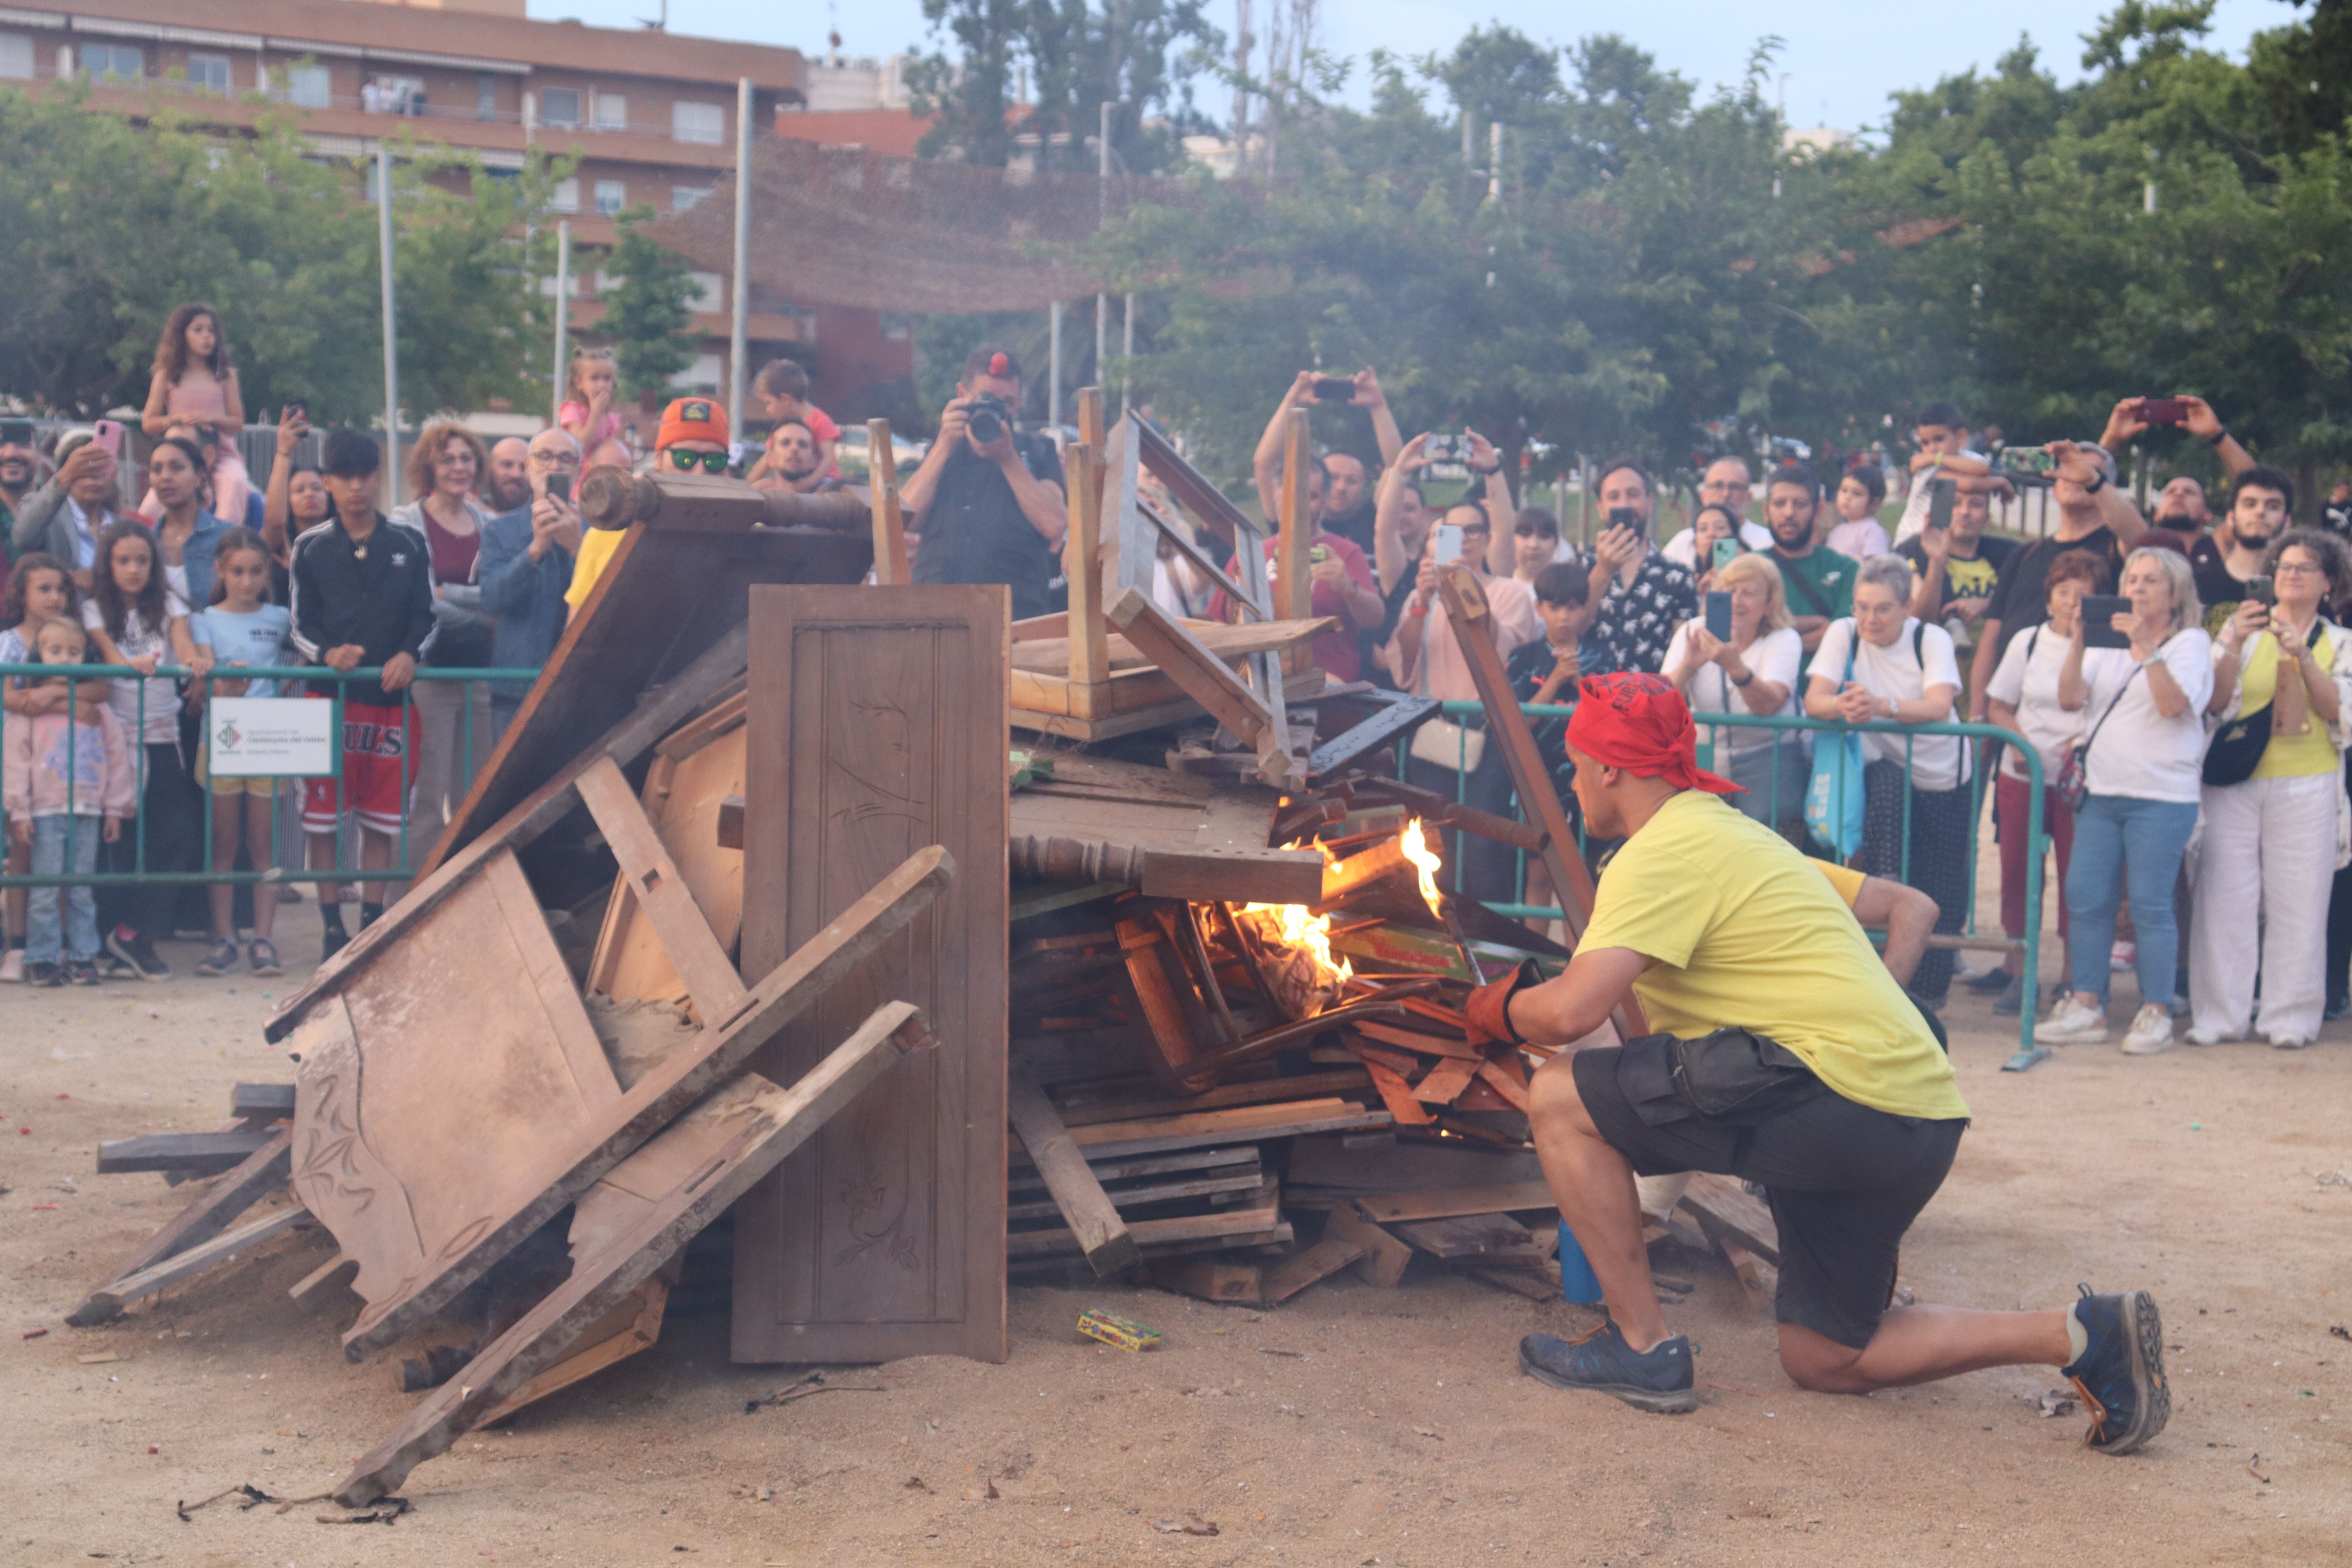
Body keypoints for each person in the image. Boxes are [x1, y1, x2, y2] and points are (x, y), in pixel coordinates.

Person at [1479, 675, 2168, 1454]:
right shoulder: (1742, 836)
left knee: (1560, 1093)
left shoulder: (1659, 849)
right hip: (1920, 1113)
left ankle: (1639, 1345)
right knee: (1828, 1355)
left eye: (1575, 764)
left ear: (1609, 767)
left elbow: (1572, 1012)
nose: (1571, 782)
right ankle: (2080, 1332)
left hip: (1834, 1094)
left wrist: (1491, 1011)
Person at [2040, 547, 2213, 1053]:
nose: (2136, 589)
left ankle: (2156, 1010)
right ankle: (2087, 1005)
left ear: (2174, 592)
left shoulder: (2191, 642)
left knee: (2150, 904)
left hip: (2161, 795)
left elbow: (2174, 705)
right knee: (2086, 897)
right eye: (2131, 579)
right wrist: (2077, 643)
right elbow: (2071, 699)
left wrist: (2146, 647)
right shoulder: (2106, 641)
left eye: (2149, 582)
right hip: (2102, 791)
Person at [2190, 529, 2352, 1049]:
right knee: (2223, 896)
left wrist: (2302, 655)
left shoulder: (2342, 643)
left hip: (2308, 780)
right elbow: (2212, 703)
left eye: (2307, 567)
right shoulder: (2240, 629)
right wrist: (2234, 641)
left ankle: (2291, 1017)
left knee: (2301, 899)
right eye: (2284, 565)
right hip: (2235, 780)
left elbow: (2337, 710)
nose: (2292, 573)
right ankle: (2219, 1015)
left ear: (2329, 582)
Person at [289, 428, 434, 962]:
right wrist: (326, 653)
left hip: (390, 701)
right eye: (344, 477)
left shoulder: (409, 542)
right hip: (326, 702)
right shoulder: (309, 545)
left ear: (378, 478)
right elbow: (298, 625)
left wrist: (409, 655)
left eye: (365, 476)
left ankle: (372, 923)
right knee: (323, 819)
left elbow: (427, 616)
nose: (356, 486)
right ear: (327, 482)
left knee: (381, 818)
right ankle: (331, 927)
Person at [1804, 554, 1970, 1004]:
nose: (1869, 619)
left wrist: (1881, 707)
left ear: (1907, 607)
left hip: (1941, 772)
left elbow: (1939, 704)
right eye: (1862, 607)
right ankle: (1882, 982)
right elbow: (1814, 698)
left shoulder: (1930, 638)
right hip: (1883, 766)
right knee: (1885, 867)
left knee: (1941, 881)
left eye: (1882, 609)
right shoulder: (1843, 632)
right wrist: (1843, 707)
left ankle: (1930, 992)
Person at [1389, 504, 1542, 902]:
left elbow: (1502, 650)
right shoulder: (1421, 594)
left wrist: (1465, 587)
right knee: (1435, 839)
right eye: (1452, 533)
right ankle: (1441, 940)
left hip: (1489, 731)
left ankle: (1496, 947)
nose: (1466, 539)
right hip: (1432, 730)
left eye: (1474, 530)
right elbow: (1401, 661)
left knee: (1483, 842)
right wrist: (1423, 600)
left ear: (1490, 538)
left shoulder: (1510, 592)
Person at [1979, 549, 2106, 1016]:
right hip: (2024, 774)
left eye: (2084, 594)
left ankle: (2073, 975)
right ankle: (2019, 972)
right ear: (2049, 597)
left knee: (2080, 878)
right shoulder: (2028, 642)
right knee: (2019, 873)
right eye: (2064, 591)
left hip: (2078, 781)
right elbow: (1998, 703)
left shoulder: (2104, 646)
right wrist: (2019, 743)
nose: (2073, 602)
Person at [81, 520, 206, 981]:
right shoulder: (94, 608)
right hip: (114, 741)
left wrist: (196, 660)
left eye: (142, 560)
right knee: (120, 844)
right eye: (123, 560)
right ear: (108, 564)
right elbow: (110, 654)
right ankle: (111, 937)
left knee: (178, 836)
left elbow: (183, 642)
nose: (133, 569)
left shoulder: (168, 602)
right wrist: (129, 663)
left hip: (161, 736)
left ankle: (137, 932)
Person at [1968, 441, 2149, 706]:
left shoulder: (2116, 549)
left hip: (2082, 704)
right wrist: (1978, 714)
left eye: (2090, 472)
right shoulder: (2024, 554)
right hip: (2011, 707)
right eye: (2067, 469)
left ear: (2108, 489)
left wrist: (2092, 482)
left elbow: (2141, 538)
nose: (2076, 476)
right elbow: (1991, 637)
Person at [187, 530, 294, 978]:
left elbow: (306, 652)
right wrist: (222, 684)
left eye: (255, 571)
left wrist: (287, 681)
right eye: (237, 571)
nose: (247, 581)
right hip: (223, 737)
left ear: (267, 572)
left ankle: (264, 938)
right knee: (224, 844)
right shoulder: (204, 619)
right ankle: (225, 936)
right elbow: (205, 671)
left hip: (268, 737)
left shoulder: (282, 617)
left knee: (263, 843)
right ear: (221, 571)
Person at [4, 615, 132, 986]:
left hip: (89, 811)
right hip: (44, 811)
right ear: (38, 655)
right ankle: (42, 957)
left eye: (74, 652)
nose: (64, 659)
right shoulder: (28, 708)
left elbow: (115, 755)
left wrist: (114, 808)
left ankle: (81, 956)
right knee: (45, 889)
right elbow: (17, 762)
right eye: (55, 650)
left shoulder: (99, 712)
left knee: (81, 889)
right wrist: (19, 810)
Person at [1, 555, 107, 983]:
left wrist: (52, 697)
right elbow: (16, 697)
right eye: (43, 589)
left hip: (61, 765)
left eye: (62, 589)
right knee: (20, 856)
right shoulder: (9, 643)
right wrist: (58, 700)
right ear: (21, 594)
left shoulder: (74, 639)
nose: (55, 597)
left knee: (59, 863)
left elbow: (100, 689)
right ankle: (21, 942)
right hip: (19, 753)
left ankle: (62, 946)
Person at [901, 348, 1068, 620]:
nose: (997, 409)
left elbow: (1054, 524)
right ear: (962, 394)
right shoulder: (941, 450)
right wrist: (944, 445)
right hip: (936, 612)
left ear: (1017, 406)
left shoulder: (1038, 451)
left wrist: (1009, 459)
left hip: (1016, 613)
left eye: (1008, 402)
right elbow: (900, 520)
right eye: (986, 399)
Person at [390, 421, 496, 838]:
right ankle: (410, 898)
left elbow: (499, 596)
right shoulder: (406, 521)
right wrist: (476, 605)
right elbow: (415, 597)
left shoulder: (489, 525)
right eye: (447, 459)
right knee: (426, 800)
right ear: (429, 468)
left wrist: (448, 590)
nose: (458, 467)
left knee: (475, 798)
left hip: (480, 676)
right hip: (429, 674)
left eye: (466, 458)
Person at [1666, 552, 1807, 836]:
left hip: (1768, 761)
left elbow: (1769, 705)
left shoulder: (1784, 639)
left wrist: (1736, 667)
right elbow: (1662, 701)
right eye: (1730, 591)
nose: (1737, 601)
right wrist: (1687, 667)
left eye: (1749, 594)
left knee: (1768, 852)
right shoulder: (1694, 631)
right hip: (1705, 761)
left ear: (1769, 604)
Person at [1210, 460, 1386, 682]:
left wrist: (1349, 589)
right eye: (1290, 494)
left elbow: (1375, 619)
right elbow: (1219, 623)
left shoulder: (1345, 553)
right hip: (1260, 689)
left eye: (1310, 497)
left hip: (1331, 694)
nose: (1297, 505)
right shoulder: (1250, 554)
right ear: (1275, 493)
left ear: (1325, 499)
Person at [570, 397, 735, 621]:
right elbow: (576, 633)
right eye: (684, 459)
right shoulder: (606, 534)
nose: (700, 472)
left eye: (715, 461)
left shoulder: (750, 535)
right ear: (659, 460)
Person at [477, 427, 583, 747]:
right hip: (516, 690)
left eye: (566, 459)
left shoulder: (599, 530)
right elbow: (492, 599)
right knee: (511, 791)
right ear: (527, 466)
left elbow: (618, 600)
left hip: (578, 689)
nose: (555, 467)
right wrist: (535, 549)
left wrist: (580, 549)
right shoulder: (500, 530)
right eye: (545, 457)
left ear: (579, 469)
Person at [1252, 369, 1403, 555]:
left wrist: (1378, 406)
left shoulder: (1373, 520)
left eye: (1352, 480)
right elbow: (1264, 465)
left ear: (1365, 486)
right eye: (1333, 478)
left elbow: (1398, 468)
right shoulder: (1292, 519)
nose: (1340, 487)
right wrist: (1292, 400)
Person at [1508, 558, 1617, 807]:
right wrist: (1556, 678)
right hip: (1536, 775)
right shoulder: (1522, 658)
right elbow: (1519, 723)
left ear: (1584, 608)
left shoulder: (1603, 658)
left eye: (1572, 608)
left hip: (1593, 779)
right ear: (1539, 608)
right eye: (1554, 608)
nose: (1563, 617)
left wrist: (1578, 679)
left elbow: (1613, 721)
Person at [1579, 459, 1697, 675]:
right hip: (1591, 701)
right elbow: (1570, 631)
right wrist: (1604, 570)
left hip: (1652, 703)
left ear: (1650, 503)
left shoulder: (1679, 577)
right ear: (1600, 508)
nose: (1625, 504)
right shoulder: (1578, 568)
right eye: (1614, 497)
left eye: (1633, 495)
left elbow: (1685, 655)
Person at [139, 303, 252, 525]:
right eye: (198, 330)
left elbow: (238, 423)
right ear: (182, 335)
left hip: (221, 455)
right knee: (151, 506)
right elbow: (149, 423)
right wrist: (176, 419)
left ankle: (223, 541)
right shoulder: (166, 376)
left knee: (236, 483)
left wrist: (211, 418)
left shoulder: (226, 376)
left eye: (211, 331)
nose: (207, 337)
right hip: (178, 458)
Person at [1898, 480, 2016, 666]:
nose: (1965, 512)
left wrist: (1988, 604)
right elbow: (1919, 623)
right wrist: (1937, 563)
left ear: (1987, 519)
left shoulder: (2008, 557)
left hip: (1994, 665)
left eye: (1975, 505)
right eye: (1956, 503)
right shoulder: (1915, 552)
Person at [13, 429, 128, 588]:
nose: (93, 478)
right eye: (84, 469)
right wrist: (64, 478)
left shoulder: (122, 526)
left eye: (101, 469)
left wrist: (101, 582)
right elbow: (22, 537)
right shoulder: (48, 516)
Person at [1760, 466, 1857, 654]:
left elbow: (1841, 634)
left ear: (1818, 510)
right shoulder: (1748, 568)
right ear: (1766, 511)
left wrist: (1772, 636)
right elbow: (1742, 631)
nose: (1789, 513)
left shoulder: (1846, 570)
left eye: (1800, 504)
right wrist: (1817, 623)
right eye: (1780, 504)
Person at [2191, 466, 2297, 635]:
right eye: (2250, 504)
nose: (2260, 512)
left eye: (2273, 506)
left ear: (2287, 521)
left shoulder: (2297, 587)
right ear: (2231, 518)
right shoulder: (2195, 584)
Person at [1370, 449, 1439, 685]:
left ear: (1425, 515)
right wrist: (1398, 473)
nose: (1401, 515)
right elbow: (1385, 529)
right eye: (1397, 508)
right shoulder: (1400, 570)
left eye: (1409, 509)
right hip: (1397, 680)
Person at [144, 436, 232, 613]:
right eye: (156, 469)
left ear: (199, 477)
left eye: (177, 468)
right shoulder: (144, 542)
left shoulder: (228, 537)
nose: (165, 477)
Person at [1892, 402, 1992, 545]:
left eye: (1939, 439)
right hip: (1912, 539)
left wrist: (1935, 458)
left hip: (1941, 537)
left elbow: (1983, 469)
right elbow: (1968, 485)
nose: (1932, 448)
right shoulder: (1926, 466)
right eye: (1925, 443)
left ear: (1961, 437)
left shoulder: (1964, 459)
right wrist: (2000, 483)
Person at [1660, 456, 1771, 567]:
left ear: (1749, 498)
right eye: (1718, 486)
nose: (1726, 494)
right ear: (1703, 497)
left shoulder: (1768, 543)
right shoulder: (1683, 543)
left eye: (1735, 487)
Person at [745, 358, 841, 485]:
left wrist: (809, 482)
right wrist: (746, 486)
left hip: (822, 480)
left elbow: (828, 459)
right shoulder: (784, 427)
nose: (768, 410)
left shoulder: (821, 421)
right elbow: (767, 459)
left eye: (769, 403)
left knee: (825, 491)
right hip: (792, 479)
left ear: (785, 399)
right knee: (762, 485)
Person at [556, 348, 633, 471]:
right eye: (594, 378)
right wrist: (596, 414)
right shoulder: (572, 410)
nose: (602, 385)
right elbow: (579, 447)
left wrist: (622, 448)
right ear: (579, 383)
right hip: (579, 476)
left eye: (607, 379)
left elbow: (608, 450)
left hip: (603, 474)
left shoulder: (610, 418)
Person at [751, 419, 838, 495]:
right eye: (785, 443)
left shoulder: (833, 493)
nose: (795, 449)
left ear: (813, 461)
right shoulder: (757, 493)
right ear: (771, 459)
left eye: (803, 445)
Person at [1824, 464, 1891, 561]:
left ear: (1873, 504)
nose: (1847, 497)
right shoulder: (1836, 532)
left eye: (1857, 494)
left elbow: (1877, 568)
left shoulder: (1871, 531)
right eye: (1844, 490)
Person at [1685, 504, 1746, 586]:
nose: (1711, 534)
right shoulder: (1685, 583)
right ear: (1695, 545)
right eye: (1703, 529)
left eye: (1720, 528)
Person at [1510, 506, 1562, 585]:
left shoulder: (1569, 589)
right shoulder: (1500, 588)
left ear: (1556, 542)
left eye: (1544, 536)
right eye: (1525, 535)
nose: (1534, 545)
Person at [483, 436, 533, 515]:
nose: (516, 475)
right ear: (489, 468)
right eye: (507, 465)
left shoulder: (544, 517)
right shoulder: (471, 515)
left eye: (524, 468)